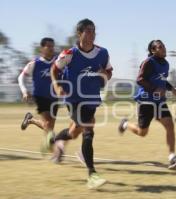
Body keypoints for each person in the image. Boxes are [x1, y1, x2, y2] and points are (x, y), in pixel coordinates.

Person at [50, 18, 113, 189]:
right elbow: (54, 69)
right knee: (88, 128)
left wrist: (104, 75)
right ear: (79, 33)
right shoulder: (69, 53)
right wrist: (57, 85)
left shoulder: (102, 53)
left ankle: (55, 139)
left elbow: (108, 71)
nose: (92, 33)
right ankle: (92, 174)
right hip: (73, 99)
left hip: (91, 98)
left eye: (93, 30)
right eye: (88, 30)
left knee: (74, 132)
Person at [118, 40, 176, 169]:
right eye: (160, 47)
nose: (164, 48)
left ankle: (172, 157)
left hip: (159, 101)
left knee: (170, 125)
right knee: (142, 132)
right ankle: (125, 124)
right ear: (153, 51)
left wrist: (173, 90)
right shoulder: (148, 62)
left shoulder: (165, 64)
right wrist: (154, 89)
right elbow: (140, 79)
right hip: (146, 101)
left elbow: (163, 81)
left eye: (164, 46)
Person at [18, 38, 58, 147]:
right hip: (40, 97)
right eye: (48, 46)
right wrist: (25, 91)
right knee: (48, 125)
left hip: (54, 97)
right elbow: (21, 77)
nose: (51, 48)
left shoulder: (58, 62)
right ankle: (52, 145)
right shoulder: (35, 63)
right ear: (42, 48)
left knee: (49, 126)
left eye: (52, 46)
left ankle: (30, 120)